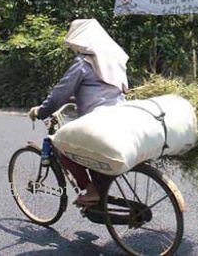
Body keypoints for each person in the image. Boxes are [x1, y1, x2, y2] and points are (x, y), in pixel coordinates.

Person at [28, 19, 129, 206]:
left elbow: (60, 95)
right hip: (120, 116)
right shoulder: (115, 60)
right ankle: (99, 190)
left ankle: (90, 190)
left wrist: (41, 111)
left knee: (62, 146)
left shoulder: (84, 62)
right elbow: (105, 90)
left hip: (97, 121)